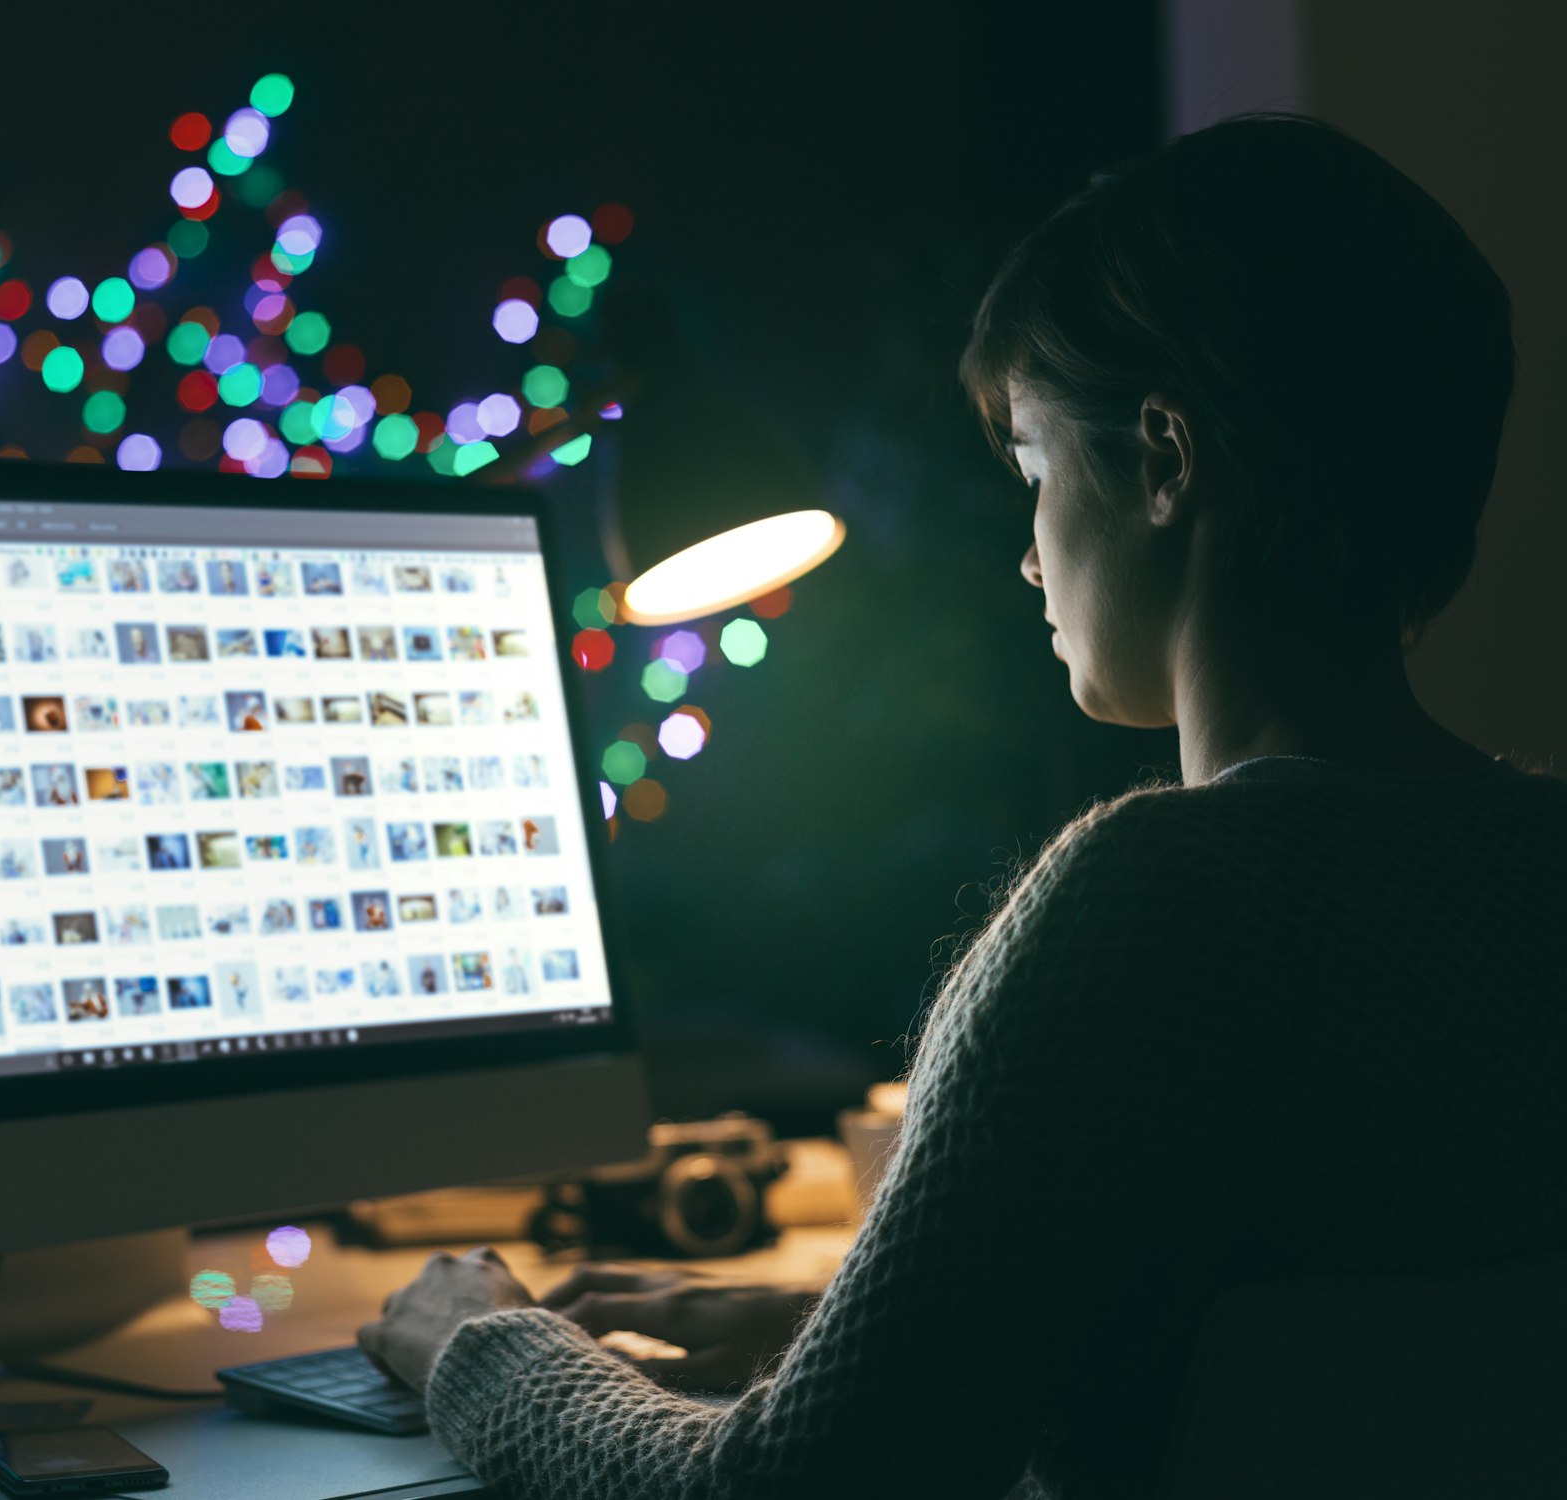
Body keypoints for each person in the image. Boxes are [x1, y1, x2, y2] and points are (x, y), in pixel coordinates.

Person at [358, 113, 1567, 1498]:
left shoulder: (1152, 901)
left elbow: (781, 1495)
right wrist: (840, 1332)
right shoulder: (1542, 865)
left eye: (1039, 470)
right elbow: (1292, 1360)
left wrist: (485, 1345)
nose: (1028, 557)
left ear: (1165, 461)